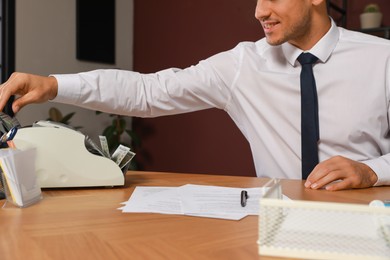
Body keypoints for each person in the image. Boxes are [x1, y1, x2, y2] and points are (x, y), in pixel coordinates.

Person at [0, 0, 389, 191]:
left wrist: (372, 172)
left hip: (368, 218)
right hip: (278, 224)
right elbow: (149, 91)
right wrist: (52, 85)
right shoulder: (243, 64)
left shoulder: (382, 59)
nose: (258, 11)